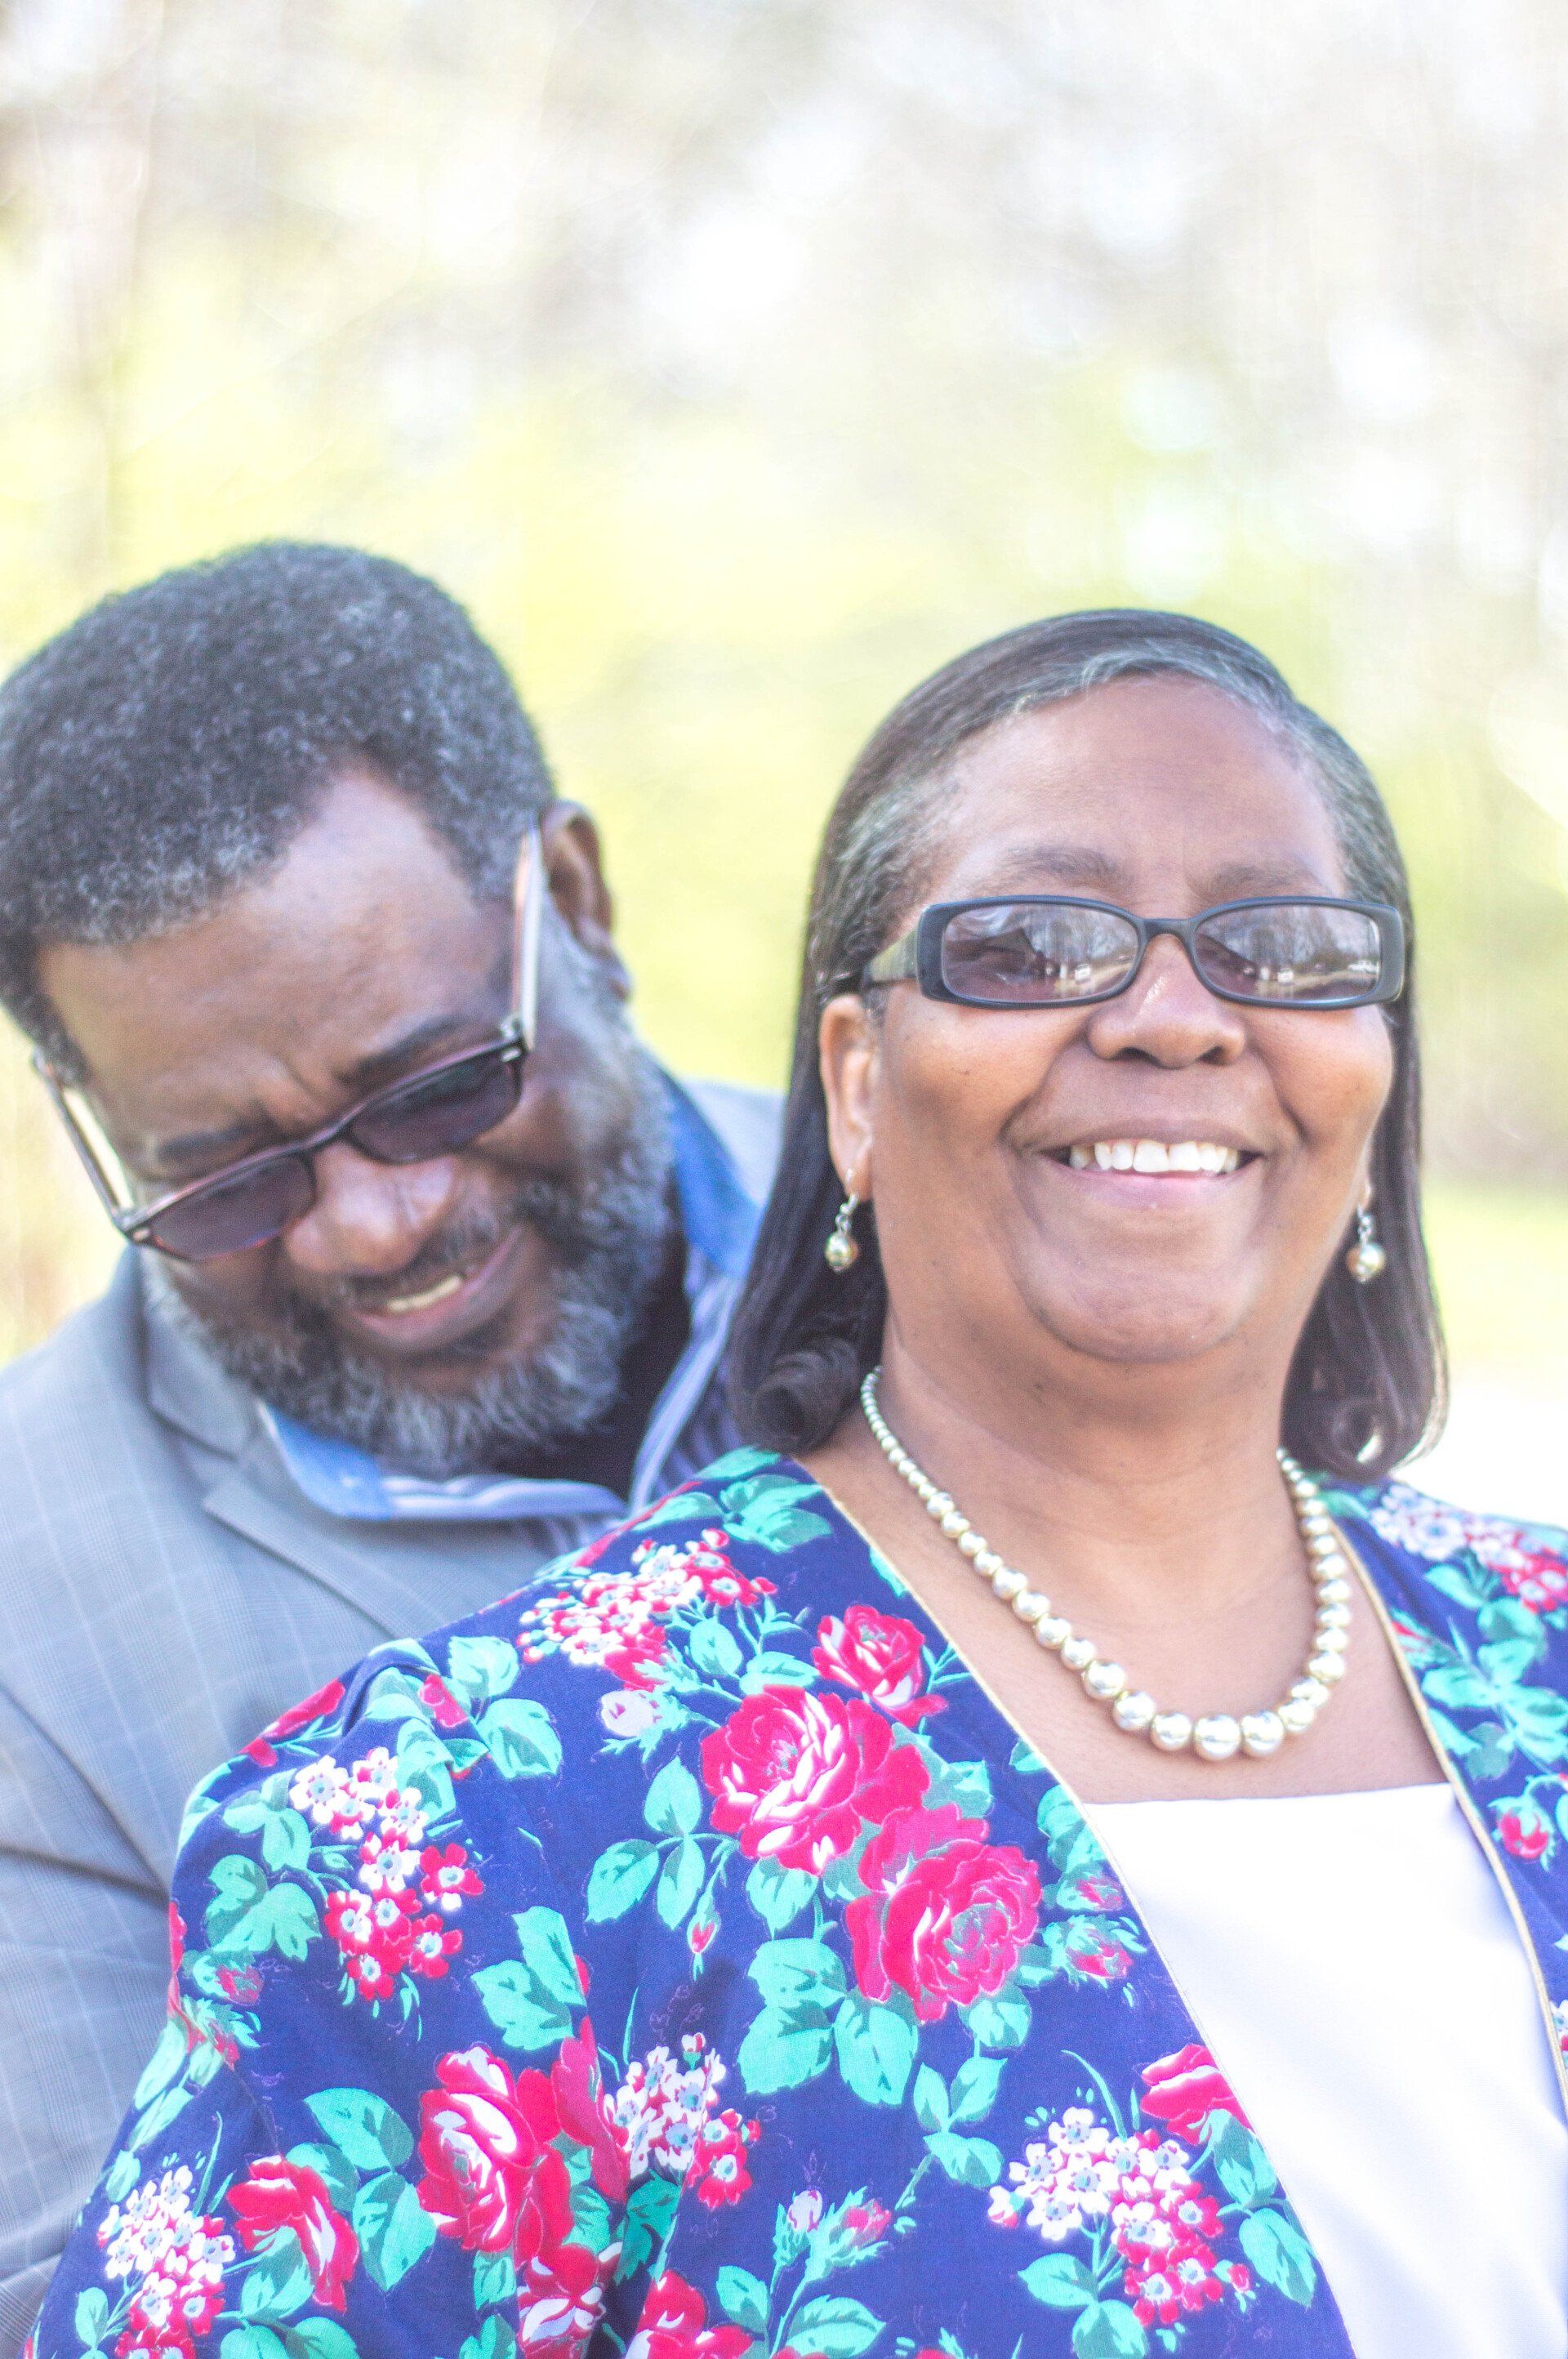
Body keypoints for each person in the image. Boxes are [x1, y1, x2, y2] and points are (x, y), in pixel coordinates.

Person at [28, 609, 1568, 2359]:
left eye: (1282, 948)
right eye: (1031, 945)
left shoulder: (1537, 1643)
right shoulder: (445, 1824)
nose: (1171, 1014)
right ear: (854, 1083)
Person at [0, 543, 777, 2352]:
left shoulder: (958, 1255)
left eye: (433, 1086)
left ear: (573, 901)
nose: (374, 1225)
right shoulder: (27, 1615)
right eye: (226, 1177)